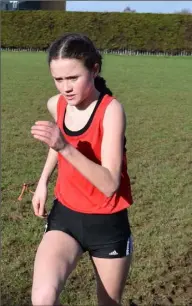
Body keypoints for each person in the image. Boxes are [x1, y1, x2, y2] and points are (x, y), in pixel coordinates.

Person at [30, 33, 134, 305]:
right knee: (43, 297)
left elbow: (110, 183)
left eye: (73, 78)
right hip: (66, 216)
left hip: (107, 224)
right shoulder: (57, 104)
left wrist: (64, 147)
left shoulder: (111, 111)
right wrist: (43, 181)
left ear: (95, 69)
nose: (65, 87)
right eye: (58, 79)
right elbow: (58, 142)